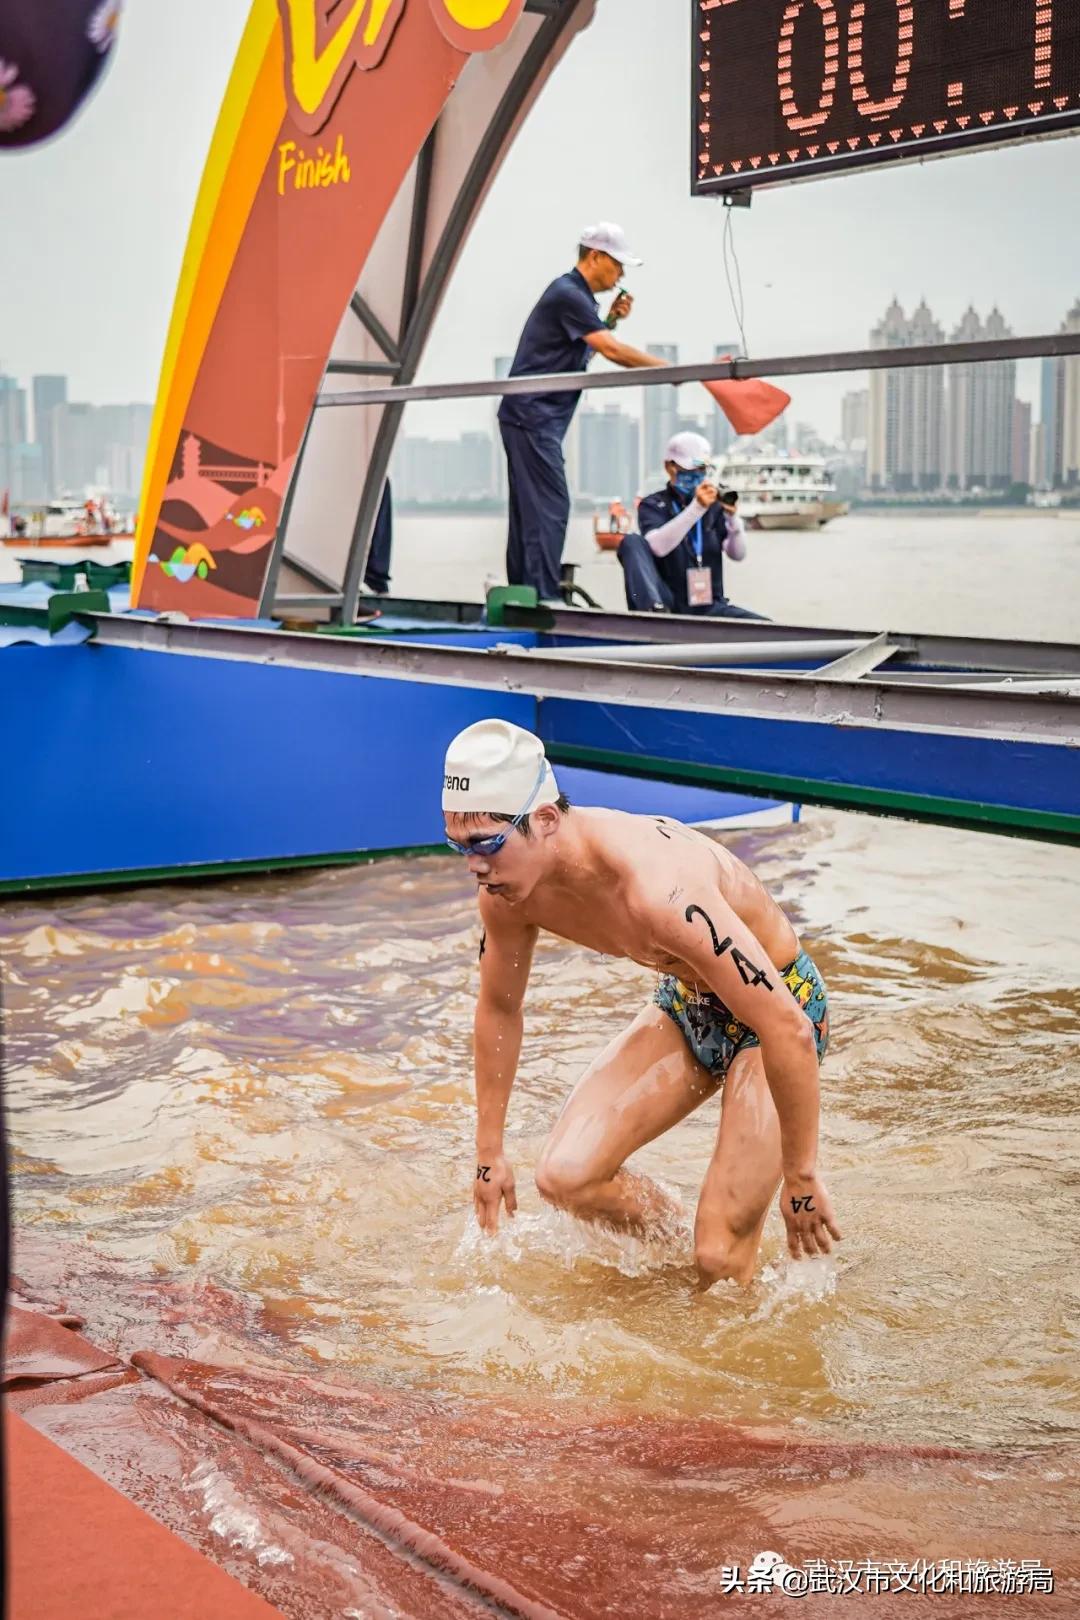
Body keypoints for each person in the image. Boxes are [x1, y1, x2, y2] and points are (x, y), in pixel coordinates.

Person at [443, 719, 840, 1288]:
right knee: (566, 1176)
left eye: (487, 844)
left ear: (546, 820)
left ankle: (725, 1259)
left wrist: (801, 1178)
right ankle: (683, 1248)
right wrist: (489, 1154)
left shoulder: (657, 889)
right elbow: (499, 1008)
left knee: (718, 1257)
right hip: (687, 1004)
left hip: (779, 1012)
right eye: (459, 846)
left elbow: (787, 1028)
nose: (474, 866)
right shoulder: (505, 896)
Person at [498, 223, 669, 604]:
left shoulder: (578, 299)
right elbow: (612, 351)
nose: (620, 275)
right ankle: (541, 595)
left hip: (532, 417)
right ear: (595, 256)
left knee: (531, 508)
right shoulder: (569, 294)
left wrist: (610, 321)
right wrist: (669, 370)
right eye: (618, 265)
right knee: (550, 507)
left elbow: (583, 351)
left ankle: (525, 591)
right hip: (532, 416)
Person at [617, 432, 766, 618]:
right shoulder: (653, 505)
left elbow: (738, 554)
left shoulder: (713, 507)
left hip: (708, 605)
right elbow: (657, 547)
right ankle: (652, 613)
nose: (697, 474)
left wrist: (732, 519)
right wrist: (697, 508)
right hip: (667, 604)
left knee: (766, 626)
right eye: (690, 469)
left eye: (702, 469)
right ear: (669, 467)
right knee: (631, 542)